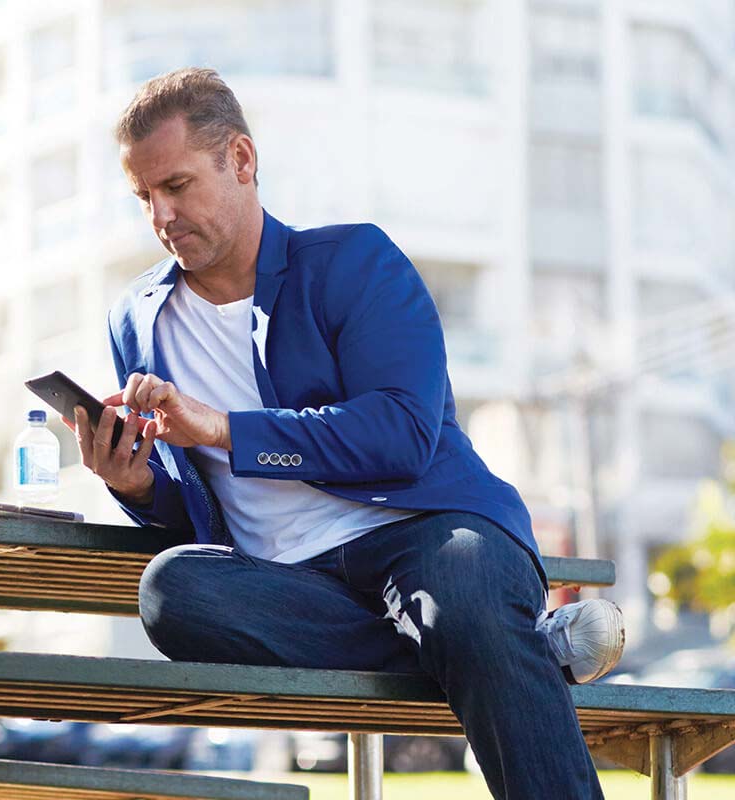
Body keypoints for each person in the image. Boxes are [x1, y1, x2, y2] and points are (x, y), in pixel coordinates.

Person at [67, 67, 622, 799]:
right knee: (172, 592)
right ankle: (507, 644)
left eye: (177, 185)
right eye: (144, 197)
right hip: (287, 584)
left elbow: (400, 433)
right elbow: (192, 510)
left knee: (457, 586)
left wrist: (228, 429)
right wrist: (136, 483)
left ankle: (480, 631)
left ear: (241, 159)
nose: (162, 215)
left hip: (427, 534)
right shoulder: (136, 319)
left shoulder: (354, 262)